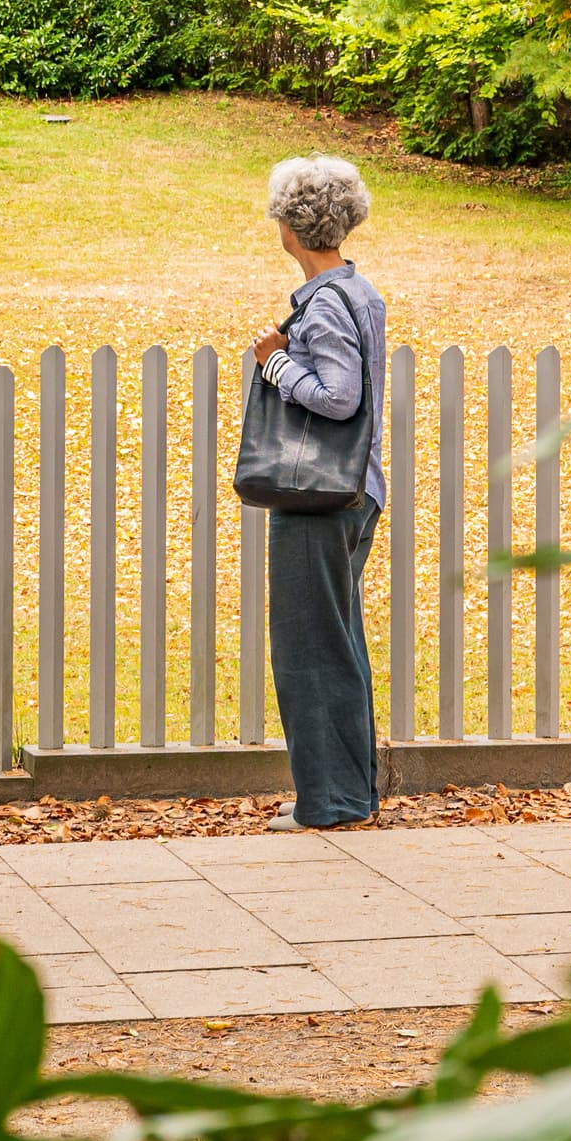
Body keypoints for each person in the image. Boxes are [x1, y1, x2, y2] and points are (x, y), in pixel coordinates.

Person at [251, 154, 388, 831]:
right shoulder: (355, 292)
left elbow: (339, 398)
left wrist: (274, 363)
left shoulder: (326, 304)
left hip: (318, 498)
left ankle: (329, 802)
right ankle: (345, 794)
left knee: (310, 652)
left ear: (291, 224)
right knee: (338, 645)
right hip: (358, 490)